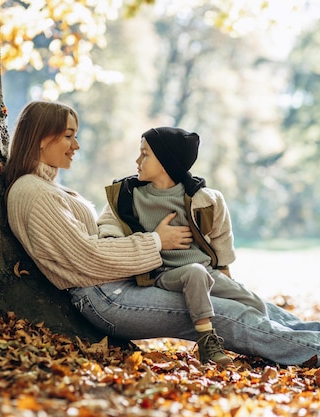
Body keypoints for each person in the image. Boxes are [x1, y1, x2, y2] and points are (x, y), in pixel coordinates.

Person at [3, 100, 320, 372]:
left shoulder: (48, 189)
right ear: (42, 137)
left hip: (119, 288)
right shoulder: (31, 194)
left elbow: (98, 244)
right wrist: (157, 242)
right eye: (69, 136)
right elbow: (87, 260)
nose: (77, 145)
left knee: (245, 300)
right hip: (106, 297)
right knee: (224, 314)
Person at [97, 127, 268, 366]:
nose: (137, 161)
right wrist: (140, 242)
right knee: (194, 272)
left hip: (207, 272)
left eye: (144, 154)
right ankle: (207, 342)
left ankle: (262, 347)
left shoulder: (204, 199)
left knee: (255, 303)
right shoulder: (126, 195)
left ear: (166, 162)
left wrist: (225, 274)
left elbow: (220, 237)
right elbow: (108, 228)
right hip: (164, 274)